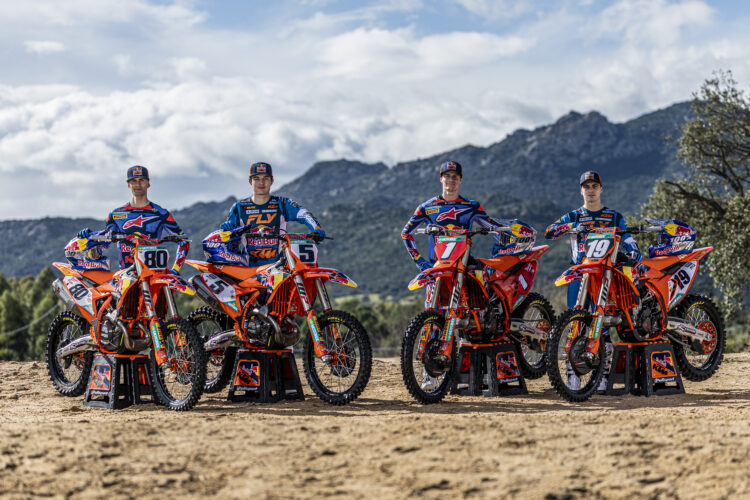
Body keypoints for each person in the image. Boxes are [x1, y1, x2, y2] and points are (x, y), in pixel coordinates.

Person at [545, 171, 641, 392]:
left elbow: (627, 237)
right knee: (575, 323)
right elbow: (549, 232)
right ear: (581, 190)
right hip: (580, 273)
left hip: (606, 275)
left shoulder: (614, 216)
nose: (590, 190)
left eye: (594, 186)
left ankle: (602, 376)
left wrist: (634, 250)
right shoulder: (575, 215)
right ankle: (572, 375)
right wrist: (570, 227)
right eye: (586, 186)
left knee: (603, 324)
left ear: (601, 189)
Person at [78, 165, 189, 273]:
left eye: (141, 180)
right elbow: (105, 242)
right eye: (134, 181)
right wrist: (88, 237)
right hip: (126, 276)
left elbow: (184, 241)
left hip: (155, 275)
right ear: (128, 184)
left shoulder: (161, 213)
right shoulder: (115, 215)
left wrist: (175, 270)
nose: (138, 184)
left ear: (148, 183)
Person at [219, 162, 324, 266]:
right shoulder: (239, 207)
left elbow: (304, 214)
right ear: (250, 181)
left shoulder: (282, 203)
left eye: (266, 178)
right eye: (256, 178)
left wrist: (316, 228)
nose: (261, 182)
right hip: (248, 268)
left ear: (272, 181)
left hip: (279, 267)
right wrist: (226, 229)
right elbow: (226, 236)